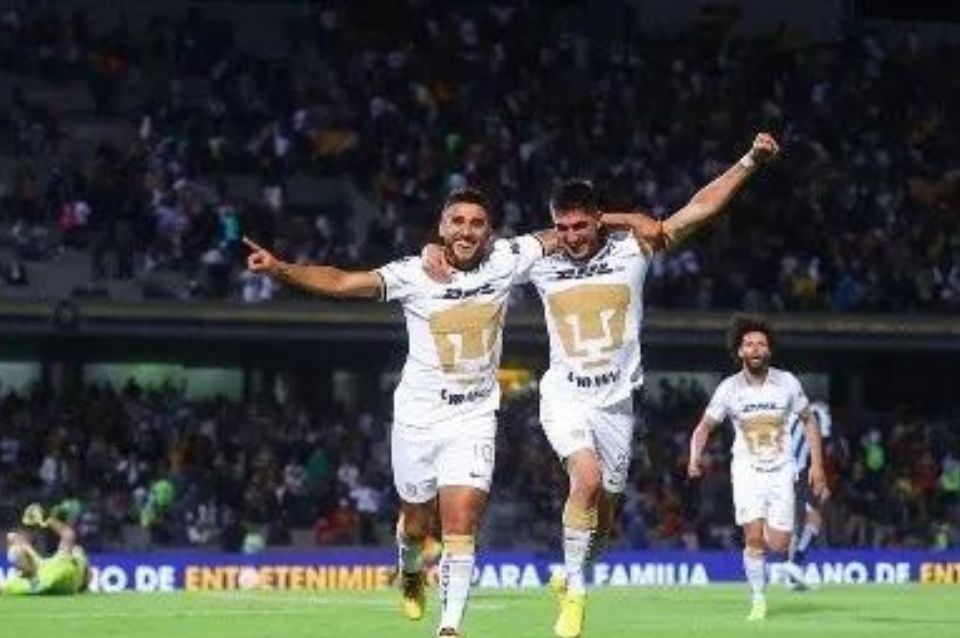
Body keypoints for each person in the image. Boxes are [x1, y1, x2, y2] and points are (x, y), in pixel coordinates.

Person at [424, 132, 780, 638]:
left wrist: (750, 161)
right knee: (585, 480)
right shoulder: (540, 260)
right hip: (564, 396)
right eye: (562, 227)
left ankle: (574, 573)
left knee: (603, 528)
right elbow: (473, 249)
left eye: (581, 225)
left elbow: (699, 209)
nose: (571, 237)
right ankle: (574, 593)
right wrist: (431, 249)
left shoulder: (633, 249)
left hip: (615, 405)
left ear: (597, 220)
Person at [246, 187, 552, 638]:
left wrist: (622, 221)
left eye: (477, 223)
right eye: (458, 221)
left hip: (473, 418)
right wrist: (280, 268)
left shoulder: (508, 259)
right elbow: (342, 282)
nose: (467, 230)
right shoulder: (414, 273)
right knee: (416, 524)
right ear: (442, 227)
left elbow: (564, 232)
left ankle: (449, 627)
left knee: (462, 522)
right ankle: (409, 569)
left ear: (489, 231)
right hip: (417, 420)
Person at [688, 315, 828, 621]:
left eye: (761, 344)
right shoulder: (729, 388)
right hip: (747, 471)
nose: (755, 349)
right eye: (749, 344)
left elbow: (809, 421)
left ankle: (762, 541)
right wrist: (694, 457)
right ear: (740, 351)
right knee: (753, 537)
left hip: (782, 471)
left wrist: (817, 466)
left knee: (778, 544)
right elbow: (703, 427)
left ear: (769, 350)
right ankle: (758, 599)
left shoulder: (787, 382)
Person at [784, 398, 832, 590]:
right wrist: (822, 481)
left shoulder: (792, 414)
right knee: (813, 518)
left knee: (799, 522)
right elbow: (820, 444)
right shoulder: (819, 413)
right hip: (794, 474)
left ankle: (792, 576)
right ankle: (795, 564)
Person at [2, 503, 91, 596]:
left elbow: (12, 537)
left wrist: (25, 549)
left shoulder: (15, 585)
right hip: (72, 579)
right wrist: (46, 519)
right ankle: (84, 583)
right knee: (77, 550)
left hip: (64, 578)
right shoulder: (53, 571)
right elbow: (68, 534)